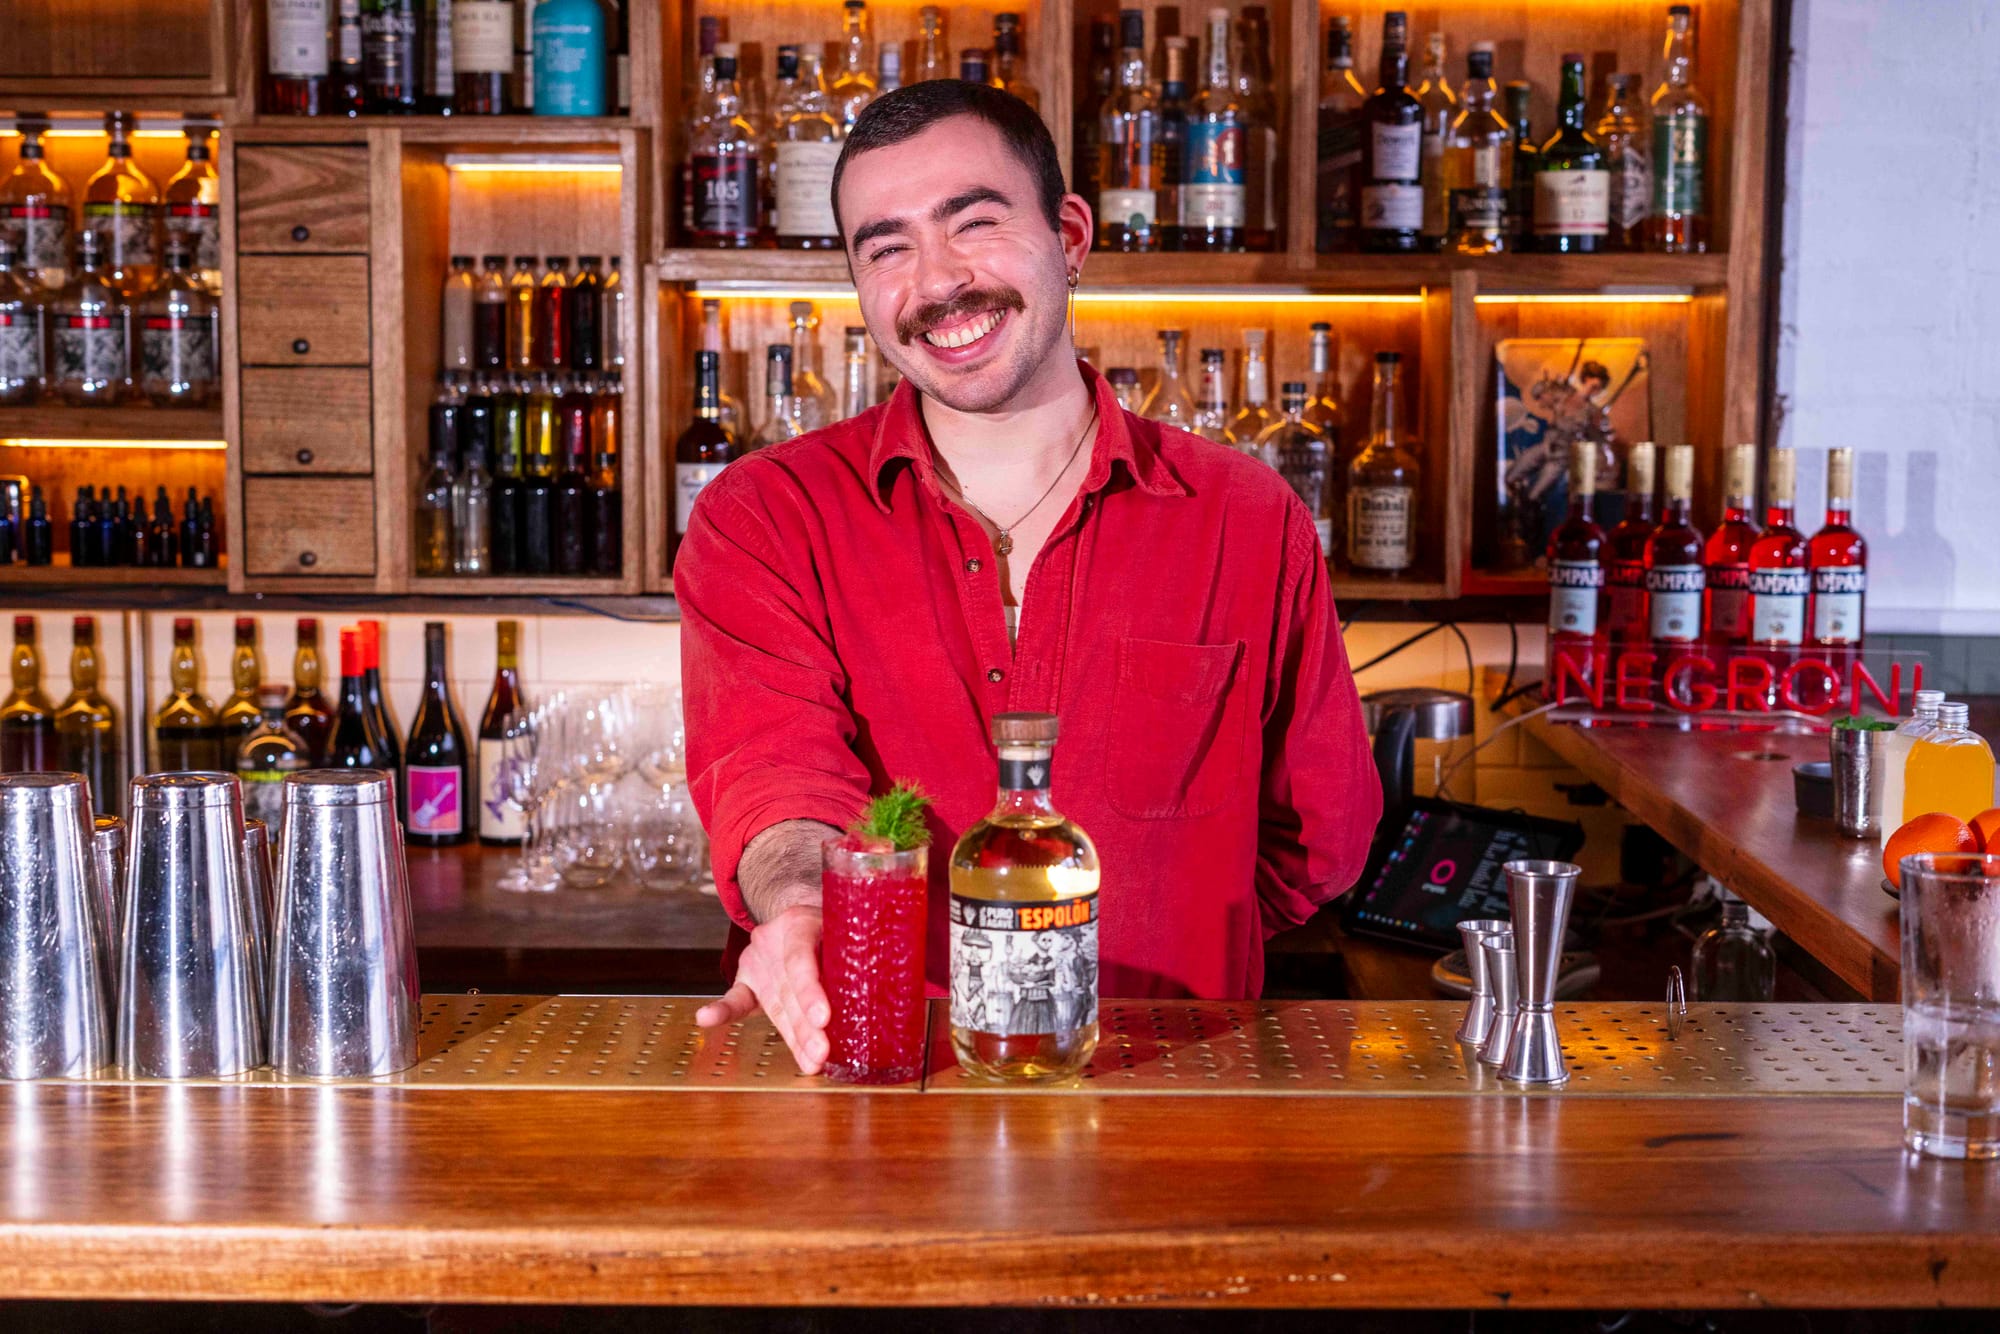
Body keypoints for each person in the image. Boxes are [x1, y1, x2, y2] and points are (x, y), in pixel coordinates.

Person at [677, 81, 1379, 1074]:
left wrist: (1170, 957)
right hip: (875, 1077)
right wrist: (799, 907)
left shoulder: (1247, 517)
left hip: (1169, 1093)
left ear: (1070, 235)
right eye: (886, 249)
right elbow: (774, 776)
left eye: (973, 223)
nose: (937, 280)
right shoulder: (764, 515)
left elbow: (1319, 835)